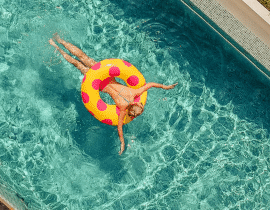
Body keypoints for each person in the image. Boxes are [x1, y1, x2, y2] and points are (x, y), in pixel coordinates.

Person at [49, 34, 177, 155]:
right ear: (130, 111)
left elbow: (151, 84)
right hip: (99, 86)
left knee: (83, 57)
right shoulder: (122, 109)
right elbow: (120, 128)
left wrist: (166, 87)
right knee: (76, 64)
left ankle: (60, 40)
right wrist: (122, 143)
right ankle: (55, 46)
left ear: (136, 103)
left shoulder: (134, 92)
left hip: (101, 73)